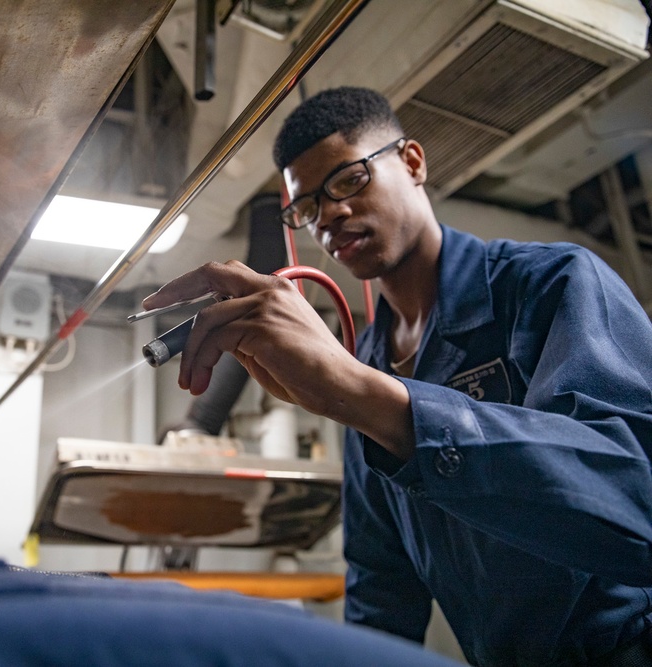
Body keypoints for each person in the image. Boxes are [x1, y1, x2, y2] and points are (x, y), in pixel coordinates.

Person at [141, 86, 652, 666]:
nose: (329, 214)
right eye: (306, 207)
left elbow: (636, 500)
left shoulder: (549, 285)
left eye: (348, 179)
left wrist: (362, 393)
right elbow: (382, 589)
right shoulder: (368, 366)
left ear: (412, 162)